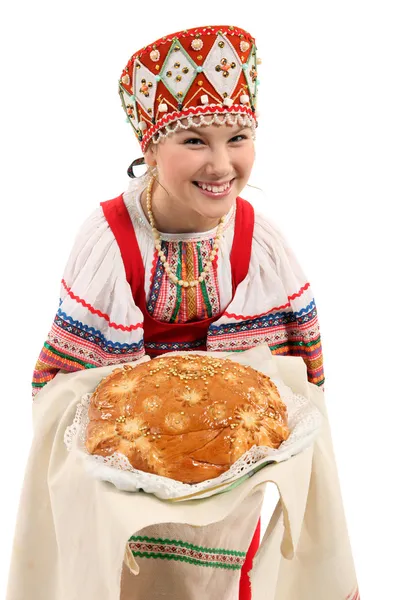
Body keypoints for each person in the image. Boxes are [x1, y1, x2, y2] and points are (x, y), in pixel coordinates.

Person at [31, 24, 324, 600]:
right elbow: (73, 388)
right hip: (129, 465)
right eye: (193, 141)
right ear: (148, 147)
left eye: (237, 137)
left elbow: (290, 372)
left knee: (217, 572)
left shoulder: (257, 240)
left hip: (225, 453)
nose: (221, 165)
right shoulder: (110, 242)